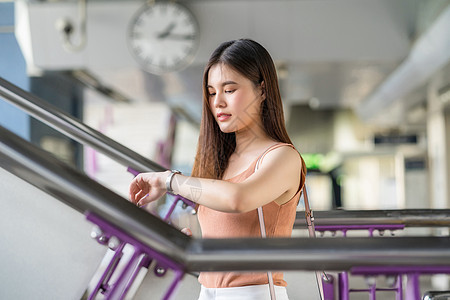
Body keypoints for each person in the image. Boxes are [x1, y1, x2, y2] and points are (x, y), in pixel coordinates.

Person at [129, 38, 306, 300]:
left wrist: (169, 180)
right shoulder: (219, 161)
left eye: (230, 90)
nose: (218, 103)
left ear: (263, 90)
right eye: (212, 93)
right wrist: (189, 246)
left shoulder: (283, 157)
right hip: (209, 293)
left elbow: (238, 198)